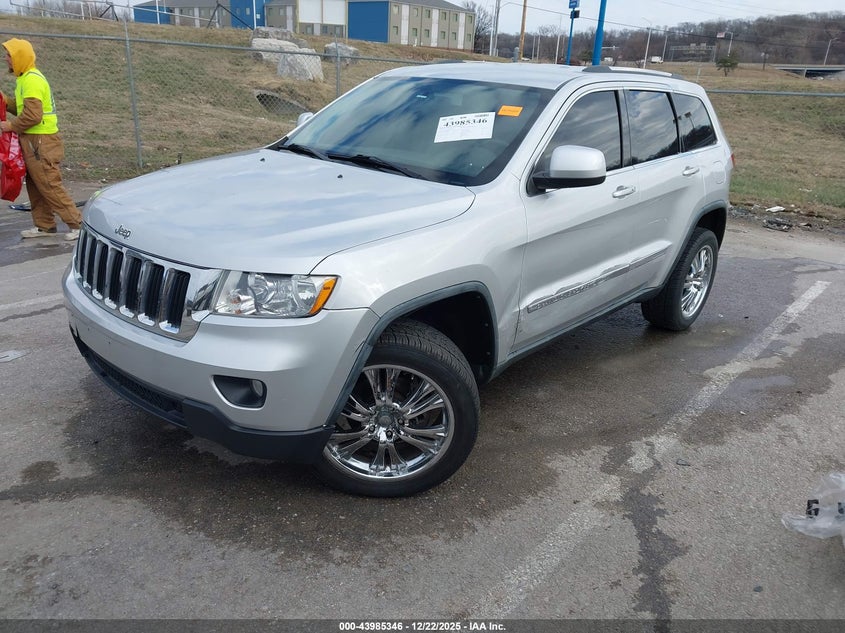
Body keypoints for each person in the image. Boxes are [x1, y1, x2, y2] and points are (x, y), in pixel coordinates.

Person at [0, 38, 81, 241]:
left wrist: (10, 126)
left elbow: (33, 116)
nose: (6, 58)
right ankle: (44, 225)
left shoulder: (32, 80)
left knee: (49, 184)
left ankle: (77, 225)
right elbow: (23, 109)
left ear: (20, 57)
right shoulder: (25, 79)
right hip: (34, 141)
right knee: (36, 184)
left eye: (9, 55)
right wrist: (4, 100)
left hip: (41, 141)